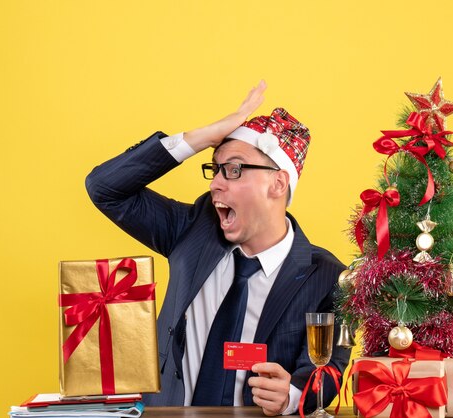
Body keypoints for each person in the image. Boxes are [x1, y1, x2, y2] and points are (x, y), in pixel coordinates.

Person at [85, 81, 350, 415]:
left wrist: (293, 395)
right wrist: (203, 137)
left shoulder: (329, 277)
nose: (215, 183)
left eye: (234, 170)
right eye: (215, 169)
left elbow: (332, 367)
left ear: (278, 183)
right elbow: (105, 189)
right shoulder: (194, 230)